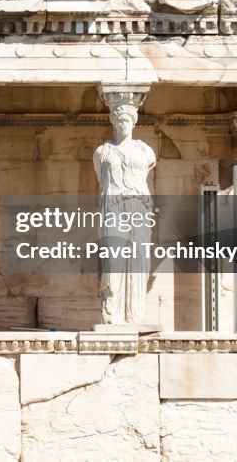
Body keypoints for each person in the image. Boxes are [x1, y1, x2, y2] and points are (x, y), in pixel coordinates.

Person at [93, 104, 156, 324]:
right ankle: (112, 312)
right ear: (113, 123)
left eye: (126, 120)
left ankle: (135, 314)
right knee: (114, 258)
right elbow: (103, 183)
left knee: (138, 259)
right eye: (118, 120)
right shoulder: (103, 152)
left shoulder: (145, 150)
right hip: (114, 206)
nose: (122, 124)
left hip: (139, 206)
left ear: (133, 122)